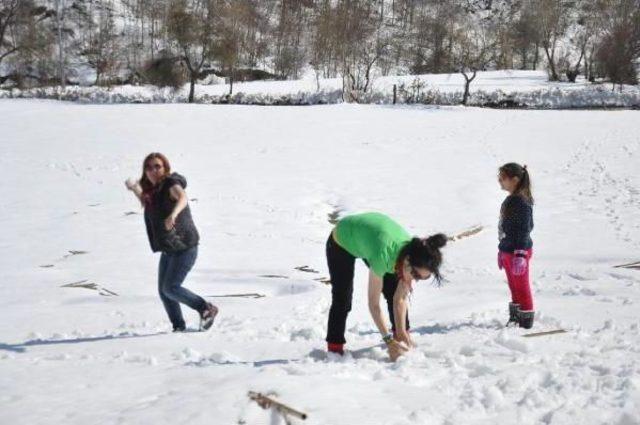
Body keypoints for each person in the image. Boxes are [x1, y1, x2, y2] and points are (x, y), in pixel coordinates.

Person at [325, 211, 447, 361]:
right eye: (415, 275)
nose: (415, 281)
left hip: (370, 238)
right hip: (341, 241)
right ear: (408, 261)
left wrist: (402, 331)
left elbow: (399, 300)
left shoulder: (413, 252)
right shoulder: (382, 256)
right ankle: (334, 349)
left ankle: (401, 338)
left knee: (393, 289)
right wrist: (388, 340)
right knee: (342, 298)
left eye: (423, 278)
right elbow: (373, 304)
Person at [125, 152, 218, 332]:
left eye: (157, 166)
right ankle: (178, 327)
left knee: (171, 288)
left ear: (165, 168)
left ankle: (205, 308)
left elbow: (182, 198)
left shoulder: (170, 184)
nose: (153, 170)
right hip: (169, 248)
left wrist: (173, 215)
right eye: (149, 167)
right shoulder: (153, 190)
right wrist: (135, 188)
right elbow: (147, 203)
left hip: (185, 247)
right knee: (164, 291)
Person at [497, 163, 535, 329]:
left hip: (518, 252)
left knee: (522, 286)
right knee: (513, 285)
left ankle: (526, 322)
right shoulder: (511, 199)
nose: (500, 181)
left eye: (503, 178)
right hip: (507, 250)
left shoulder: (522, 201)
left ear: (515, 180)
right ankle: (516, 317)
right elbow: (504, 227)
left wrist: (520, 254)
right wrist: (501, 249)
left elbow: (524, 228)